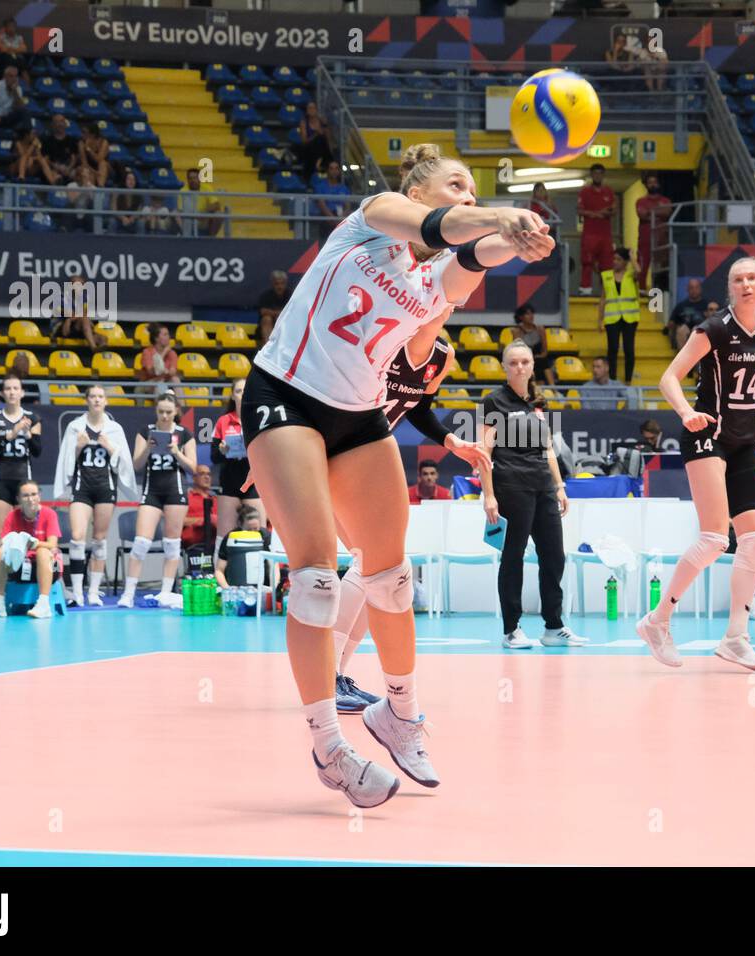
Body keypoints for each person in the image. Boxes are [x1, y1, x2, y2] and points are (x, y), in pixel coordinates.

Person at [242, 141, 551, 806]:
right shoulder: (375, 215)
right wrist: (499, 214)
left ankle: (398, 714)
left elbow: (468, 255)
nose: (467, 196)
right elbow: (441, 229)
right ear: (419, 187)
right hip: (285, 393)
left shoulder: (426, 284)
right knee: (319, 579)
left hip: (357, 417)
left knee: (390, 578)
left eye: (475, 189)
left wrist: (518, 234)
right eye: (458, 184)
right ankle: (328, 745)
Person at [635, 256, 755, 670]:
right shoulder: (713, 328)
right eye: (738, 279)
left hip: (742, 442)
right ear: (731, 288)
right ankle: (658, 620)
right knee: (716, 539)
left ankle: (736, 637)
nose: (746, 284)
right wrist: (685, 413)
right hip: (706, 435)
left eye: (753, 277)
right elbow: (669, 378)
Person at [330, 305, 489, 712]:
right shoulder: (385, 343)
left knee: (378, 567)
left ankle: (336, 676)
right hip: (337, 451)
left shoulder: (444, 356)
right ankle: (327, 676)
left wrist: (452, 443)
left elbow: (417, 408)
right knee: (370, 563)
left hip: (365, 456)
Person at [477, 340, 584, 650]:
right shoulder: (493, 402)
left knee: (554, 556)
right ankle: (512, 629)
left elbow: (548, 447)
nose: (520, 367)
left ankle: (554, 626)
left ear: (533, 366)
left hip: (544, 488)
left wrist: (560, 485)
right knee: (513, 558)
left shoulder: (539, 401)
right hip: (511, 486)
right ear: (504, 367)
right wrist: (489, 496)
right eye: (513, 363)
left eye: (525, 362)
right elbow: (484, 451)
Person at [53, 385, 134, 607]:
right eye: (93, 396)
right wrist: (78, 448)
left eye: (100, 396)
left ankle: (94, 592)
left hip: (105, 488)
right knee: (78, 537)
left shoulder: (114, 429)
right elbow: (66, 460)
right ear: (87, 400)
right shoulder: (75, 427)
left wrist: (111, 449)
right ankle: (78, 591)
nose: (97, 400)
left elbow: (124, 462)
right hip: (82, 488)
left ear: (105, 401)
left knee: (99, 540)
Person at [118, 393, 197, 609]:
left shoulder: (184, 433)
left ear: (176, 412)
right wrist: (148, 448)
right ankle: (128, 593)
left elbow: (193, 467)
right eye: (161, 412)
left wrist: (177, 454)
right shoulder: (146, 431)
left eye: (168, 412)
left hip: (175, 490)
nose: (164, 416)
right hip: (151, 491)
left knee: (172, 545)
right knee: (141, 542)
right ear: (156, 411)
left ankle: (164, 592)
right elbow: (136, 464)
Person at [0, 481, 61, 619]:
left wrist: (33, 544)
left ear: (39, 496)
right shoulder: (12, 516)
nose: (30, 499)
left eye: (34, 494)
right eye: (25, 496)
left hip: (47, 567)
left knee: (43, 551)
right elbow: (5, 543)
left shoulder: (49, 514)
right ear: (18, 499)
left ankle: (43, 605)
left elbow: (52, 544)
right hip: (19, 565)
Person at [0, 373, 42, 537]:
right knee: (1, 535)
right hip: (1, 479)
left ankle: (26, 563)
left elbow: (37, 451)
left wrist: (28, 434)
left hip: (24, 480)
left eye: (16, 388)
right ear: (2, 393)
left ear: (22, 392)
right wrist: (12, 433)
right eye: (8, 389)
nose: (12, 392)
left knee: (25, 535)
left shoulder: (32, 418)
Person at [210, 378, 263, 551]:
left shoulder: (259, 418)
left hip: (254, 483)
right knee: (224, 537)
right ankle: (220, 576)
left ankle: (266, 578)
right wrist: (223, 451)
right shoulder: (222, 422)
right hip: (230, 483)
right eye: (238, 391)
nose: (242, 394)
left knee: (260, 535)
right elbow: (214, 457)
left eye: (245, 390)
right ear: (233, 395)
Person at [597, 246, 641, 384]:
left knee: (629, 349)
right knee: (613, 349)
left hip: (630, 318)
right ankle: (612, 379)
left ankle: (628, 379)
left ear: (625, 262)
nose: (615, 262)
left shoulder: (630, 275)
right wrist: (600, 320)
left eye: (619, 259)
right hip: (612, 318)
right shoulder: (606, 275)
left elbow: (638, 270)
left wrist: (632, 257)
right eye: (614, 259)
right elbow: (603, 299)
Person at [216, 504, 272, 590]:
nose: (253, 532)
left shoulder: (265, 536)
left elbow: (273, 566)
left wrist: (272, 588)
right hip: (235, 587)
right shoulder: (231, 539)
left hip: (262, 587)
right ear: (240, 525)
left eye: (256, 529)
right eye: (249, 529)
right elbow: (219, 570)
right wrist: (228, 590)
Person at [635, 173, 672, 291]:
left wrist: (650, 212)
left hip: (661, 239)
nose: (652, 185)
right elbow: (642, 214)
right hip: (645, 239)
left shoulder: (665, 200)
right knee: (642, 265)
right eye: (650, 182)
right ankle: (641, 291)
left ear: (659, 184)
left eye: (654, 182)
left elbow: (667, 213)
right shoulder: (641, 201)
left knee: (660, 268)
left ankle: (658, 292)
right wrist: (658, 211)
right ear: (646, 185)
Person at [667, 278, 717, 350]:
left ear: (700, 289)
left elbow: (714, 321)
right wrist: (676, 327)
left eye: (696, 287)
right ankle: (684, 358)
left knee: (696, 329)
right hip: (684, 333)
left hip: (702, 333)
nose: (694, 290)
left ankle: (696, 359)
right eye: (691, 288)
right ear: (687, 289)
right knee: (682, 330)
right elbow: (671, 323)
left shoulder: (708, 305)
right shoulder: (681, 306)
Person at [512, 304, 555, 386]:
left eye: (532, 313)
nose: (531, 316)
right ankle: (533, 387)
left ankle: (553, 388)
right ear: (521, 317)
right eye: (528, 314)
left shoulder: (540, 329)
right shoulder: (516, 331)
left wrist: (539, 356)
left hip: (538, 358)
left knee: (542, 362)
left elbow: (544, 351)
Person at [137, 322, 181, 397]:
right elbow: (152, 372)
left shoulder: (172, 353)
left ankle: (181, 406)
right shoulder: (147, 352)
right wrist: (163, 354)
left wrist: (165, 373)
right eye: (165, 335)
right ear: (156, 338)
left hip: (164, 381)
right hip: (148, 383)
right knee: (160, 385)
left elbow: (172, 372)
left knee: (175, 379)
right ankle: (161, 407)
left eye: (168, 334)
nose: (169, 337)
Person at [0, 65, 30, 133]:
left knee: (24, 112)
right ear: (5, 77)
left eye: (16, 76)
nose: (14, 79)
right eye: (11, 76)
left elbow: (20, 107)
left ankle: (27, 135)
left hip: (5, 118)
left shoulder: (18, 89)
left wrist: (14, 92)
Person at [180, 464, 216, 553]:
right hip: (193, 539)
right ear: (194, 478)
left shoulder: (217, 500)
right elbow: (178, 521)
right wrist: (204, 520)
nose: (207, 477)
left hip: (217, 542)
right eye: (202, 474)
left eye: (209, 474)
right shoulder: (186, 498)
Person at [312, 159, 350, 240]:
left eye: (336, 168)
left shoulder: (344, 188)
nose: (334, 171)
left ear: (339, 171)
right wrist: (334, 220)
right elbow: (322, 205)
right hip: (326, 219)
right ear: (327, 171)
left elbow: (347, 206)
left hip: (340, 219)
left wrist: (341, 219)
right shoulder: (320, 186)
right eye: (331, 168)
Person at [183, 166, 224, 237]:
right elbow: (181, 210)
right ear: (187, 180)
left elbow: (216, 205)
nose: (193, 180)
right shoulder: (183, 191)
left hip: (203, 219)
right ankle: (184, 238)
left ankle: (211, 238)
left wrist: (204, 213)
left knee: (218, 214)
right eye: (190, 178)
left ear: (199, 179)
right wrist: (195, 216)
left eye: (195, 178)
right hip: (189, 220)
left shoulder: (207, 188)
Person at [256, 270, 291, 347]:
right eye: (277, 284)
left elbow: (294, 311)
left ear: (285, 283)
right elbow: (263, 311)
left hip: (285, 326)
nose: (280, 287)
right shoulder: (265, 296)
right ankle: (268, 347)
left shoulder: (291, 295)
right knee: (267, 319)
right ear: (272, 284)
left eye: (282, 283)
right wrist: (279, 313)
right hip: (265, 328)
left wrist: (276, 314)